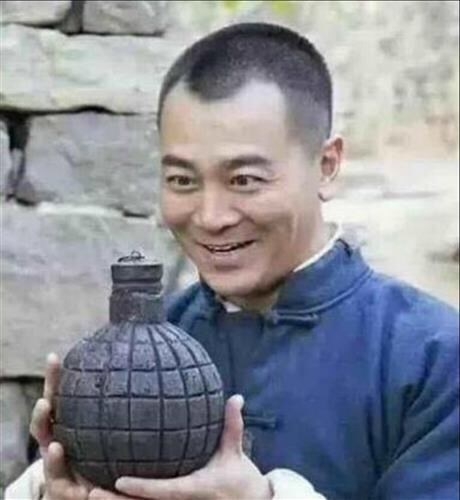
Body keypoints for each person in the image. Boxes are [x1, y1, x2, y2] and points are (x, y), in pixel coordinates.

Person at [6, 22, 459, 500]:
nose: (210, 216)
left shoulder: (433, 357)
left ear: (326, 166)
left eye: (244, 180)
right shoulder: (137, 357)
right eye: (182, 181)